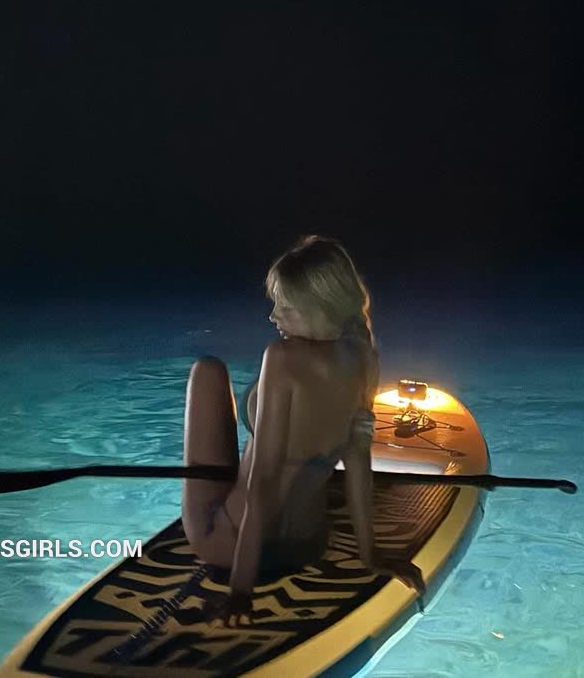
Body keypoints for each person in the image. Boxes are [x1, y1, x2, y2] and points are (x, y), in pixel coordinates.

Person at [181, 235, 425, 627]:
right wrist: (370, 556)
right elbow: (357, 461)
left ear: (319, 308)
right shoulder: (364, 356)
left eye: (285, 307)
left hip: (229, 541)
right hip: (307, 546)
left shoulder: (283, 359)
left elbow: (262, 484)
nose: (273, 316)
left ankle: (228, 519)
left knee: (207, 371)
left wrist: (240, 592)